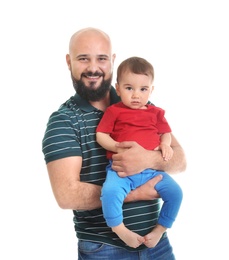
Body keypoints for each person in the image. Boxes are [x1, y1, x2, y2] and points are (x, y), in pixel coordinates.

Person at [42, 27, 187, 259]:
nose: (93, 68)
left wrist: (148, 158)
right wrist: (137, 193)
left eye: (101, 58)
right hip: (105, 250)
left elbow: (180, 160)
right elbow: (66, 195)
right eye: (83, 59)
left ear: (112, 60)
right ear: (69, 62)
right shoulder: (64, 121)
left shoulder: (137, 101)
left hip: (156, 245)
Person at [96, 56, 183, 249]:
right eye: (129, 88)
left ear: (151, 90)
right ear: (118, 89)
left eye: (143, 89)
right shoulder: (114, 111)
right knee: (109, 192)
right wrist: (116, 146)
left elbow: (165, 133)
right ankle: (119, 228)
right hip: (121, 171)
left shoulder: (156, 112)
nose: (136, 95)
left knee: (176, 193)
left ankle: (160, 229)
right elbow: (101, 135)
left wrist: (165, 145)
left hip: (152, 171)